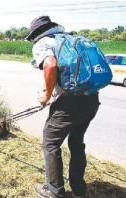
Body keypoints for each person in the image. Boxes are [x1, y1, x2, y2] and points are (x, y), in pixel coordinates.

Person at [26, 16, 101, 198]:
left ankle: (54, 191)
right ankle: (78, 189)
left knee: (50, 144)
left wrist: (45, 95)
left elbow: (50, 65)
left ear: (36, 33)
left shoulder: (43, 43)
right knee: (76, 143)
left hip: (68, 104)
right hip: (91, 100)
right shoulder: (72, 39)